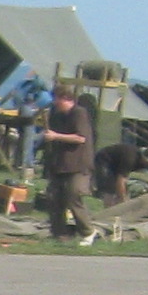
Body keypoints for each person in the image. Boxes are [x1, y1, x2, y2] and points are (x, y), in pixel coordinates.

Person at [40, 82, 94, 240]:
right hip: (59, 164)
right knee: (54, 199)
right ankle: (60, 235)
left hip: (78, 165)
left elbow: (80, 138)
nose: (55, 102)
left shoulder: (79, 113)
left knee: (73, 196)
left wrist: (56, 136)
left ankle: (88, 232)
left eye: (57, 99)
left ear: (65, 98)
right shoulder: (55, 114)